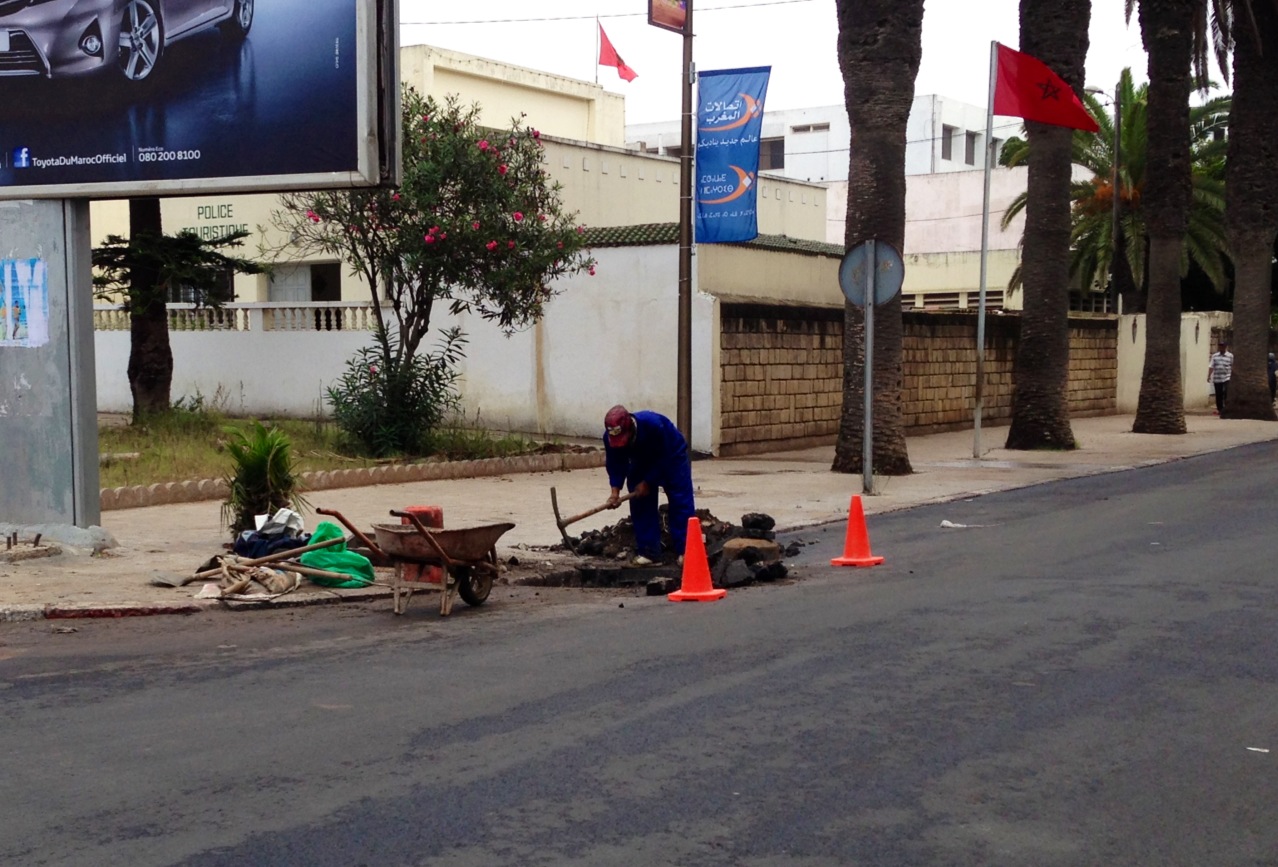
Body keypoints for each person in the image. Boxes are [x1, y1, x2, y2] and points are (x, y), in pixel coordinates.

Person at [603, 404, 695, 566]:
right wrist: (615, 491)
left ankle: (686, 550)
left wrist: (648, 482)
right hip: (641, 460)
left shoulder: (654, 426)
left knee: (680, 500)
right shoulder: (610, 437)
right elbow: (615, 463)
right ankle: (649, 552)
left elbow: (664, 459)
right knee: (640, 502)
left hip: (671, 456)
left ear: (630, 427)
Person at [1208, 340, 1233, 415]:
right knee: (1218, 394)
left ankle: (1226, 408)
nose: (1221, 347)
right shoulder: (1215, 356)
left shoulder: (1230, 356)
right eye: (1220, 346)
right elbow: (1211, 366)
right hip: (1217, 378)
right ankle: (1220, 409)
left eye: (1223, 346)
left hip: (1227, 377)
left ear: (1226, 347)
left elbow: (1232, 366)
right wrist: (1209, 375)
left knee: (1226, 392)